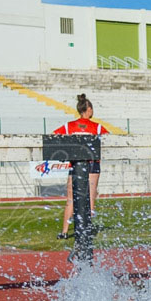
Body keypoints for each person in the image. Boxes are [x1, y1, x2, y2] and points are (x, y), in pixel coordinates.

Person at [53, 94, 108, 239]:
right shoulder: (97, 127)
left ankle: (64, 231)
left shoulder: (68, 126)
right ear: (88, 109)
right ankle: (87, 230)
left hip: (75, 164)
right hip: (92, 164)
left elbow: (54, 137)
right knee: (90, 197)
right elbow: (109, 141)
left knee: (71, 198)